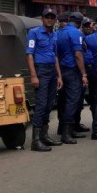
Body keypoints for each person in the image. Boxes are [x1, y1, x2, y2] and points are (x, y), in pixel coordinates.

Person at [26, 9, 64, 152]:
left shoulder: (54, 35)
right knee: (41, 105)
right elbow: (29, 55)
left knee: (49, 104)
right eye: (47, 17)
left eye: (52, 17)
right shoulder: (34, 33)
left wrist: (59, 76)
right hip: (40, 71)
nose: (49, 20)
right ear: (42, 19)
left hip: (52, 71)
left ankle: (44, 136)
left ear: (55, 20)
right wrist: (33, 75)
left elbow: (55, 57)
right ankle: (36, 141)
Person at [55, 12, 88, 144]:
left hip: (61, 70)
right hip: (72, 70)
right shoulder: (76, 33)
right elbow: (78, 54)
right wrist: (84, 74)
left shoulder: (59, 32)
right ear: (79, 22)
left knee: (63, 100)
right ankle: (66, 133)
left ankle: (65, 128)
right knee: (72, 101)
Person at [75, 17, 96, 135]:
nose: (88, 27)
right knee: (78, 99)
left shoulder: (94, 37)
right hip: (81, 70)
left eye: (90, 25)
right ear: (82, 26)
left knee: (94, 98)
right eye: (86, 25)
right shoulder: (79, 37)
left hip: (92, 70)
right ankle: (75, 124)